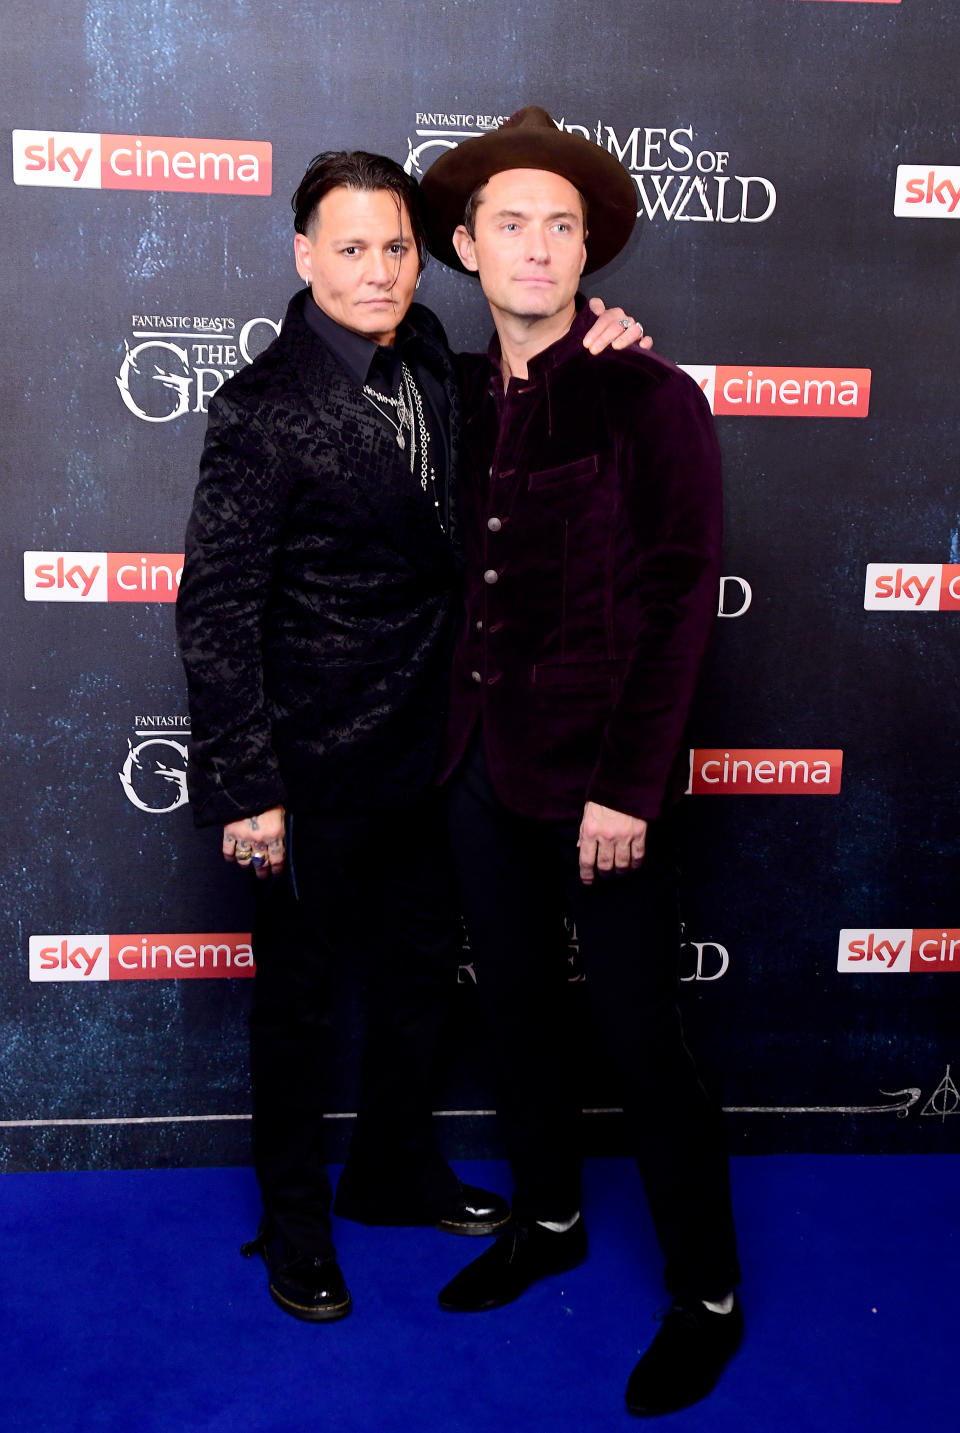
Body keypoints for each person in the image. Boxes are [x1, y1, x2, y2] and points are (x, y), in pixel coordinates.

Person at [175, 147, 644, 1324]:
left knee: (421, 976)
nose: (381, 272)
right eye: (351, 249)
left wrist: (601, 342)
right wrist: (249, 787)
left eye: (396, 247)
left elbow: (529, 397)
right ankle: (293, 1222)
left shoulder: (433, 350)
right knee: (296, 1003)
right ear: (302, 254)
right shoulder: (260, 409)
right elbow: (216, 607)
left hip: (437, 744)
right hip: (313, 765)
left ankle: (391, 1166)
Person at [419, 108, 742, 1417]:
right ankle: (548, 1218)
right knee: (513, 1015)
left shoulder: (647, 395)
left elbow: (679, 600)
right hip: (475, 774)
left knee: (640, 1039)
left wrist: (631, 786)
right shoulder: (440, 393)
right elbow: (320, 330)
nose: (539, 246)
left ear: (588, 252)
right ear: (466, 245)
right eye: (513, 223)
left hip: (602, 783)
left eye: (564, 227)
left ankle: (708, 1296)